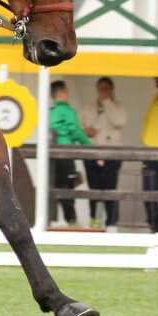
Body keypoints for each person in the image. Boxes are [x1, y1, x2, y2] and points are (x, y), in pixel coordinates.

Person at [80, 77, 127, 229]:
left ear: (112, 90)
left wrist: (107, 103)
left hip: (112, 154)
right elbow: (80, 126)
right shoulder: (89, 107)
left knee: (110, 189)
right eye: (100, 88)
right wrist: (85, 131)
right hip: (92, 154)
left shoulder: (119, 107)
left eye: (106, 88)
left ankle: (112, 222)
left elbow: (120, 121)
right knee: (93, 188)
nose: (103, 91)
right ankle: (94, 221)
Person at [50, 81, 89, 227]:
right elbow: (76, 131)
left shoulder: (50, 112)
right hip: (66, 153)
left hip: (53, 155)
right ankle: (71, 220)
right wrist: (90, 146)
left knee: (55, 185)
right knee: (68, 186)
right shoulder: (68, 111)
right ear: (62, 93)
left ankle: (56, 219)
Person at [141, 77, 158, 233]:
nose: (155, 81)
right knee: (149, 192)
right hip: (151, 154)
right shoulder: (156, 97)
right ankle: (154, 226)